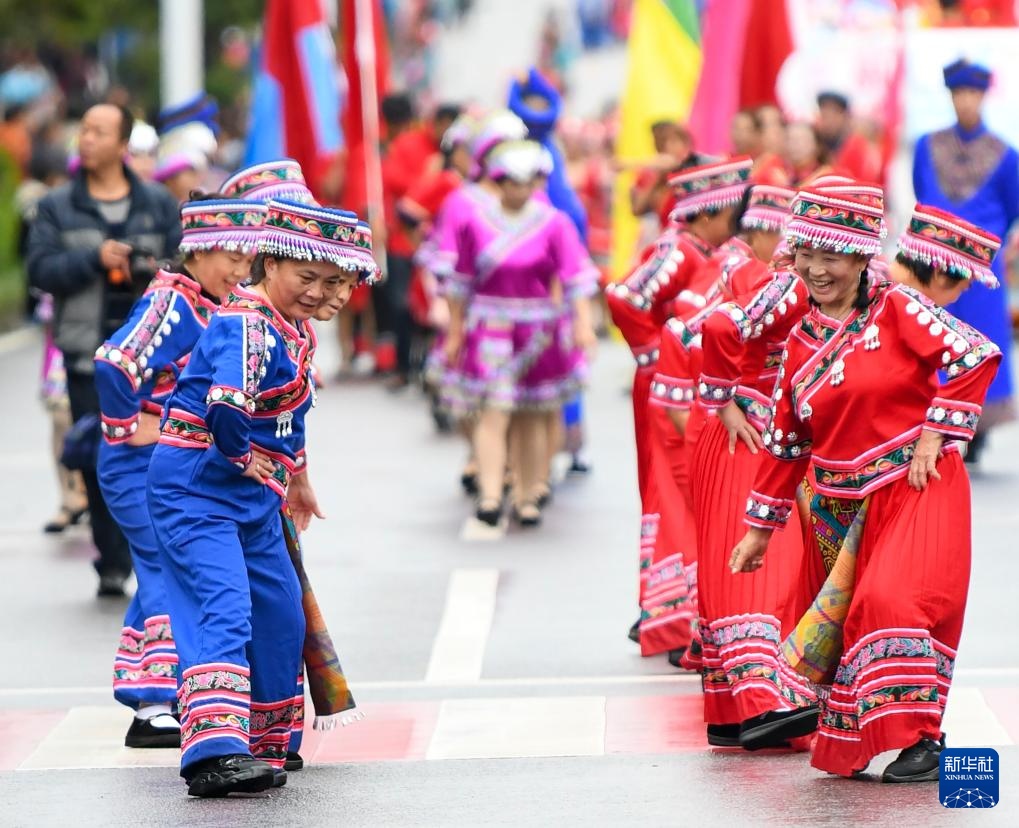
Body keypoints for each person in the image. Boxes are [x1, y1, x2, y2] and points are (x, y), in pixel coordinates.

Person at [729, 188, 1001, 781]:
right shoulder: (798, 341)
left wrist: (935, 433)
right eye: (807, 254)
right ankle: (875, 734)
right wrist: (758, 530)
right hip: (836, 508)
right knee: (848, 623)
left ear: (859, 258)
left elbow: (976, 353)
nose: (817, 270)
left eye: (833, 257)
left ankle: (924, 739)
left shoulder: (898, 307)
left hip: (915, 485)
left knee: (893, 602)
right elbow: (786, 442)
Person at [147, 199, 376, 797]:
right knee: (224, 606)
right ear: (269, 263)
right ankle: (214, 754)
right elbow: (227, 408)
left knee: (280, 610)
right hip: (197, 486)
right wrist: (248, 461)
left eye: (338, 284)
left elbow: (289, 417)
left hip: (253, 494)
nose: (323, 295)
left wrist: (295, 476)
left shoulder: (292, 328)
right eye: (309, 279)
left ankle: (265, 739)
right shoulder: (247, 321)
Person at [94, 196, 266, 749]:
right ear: (199, 249)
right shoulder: (172, 300)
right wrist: (129, 428)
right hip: (136, 461)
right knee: (169, 572)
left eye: (248, 261)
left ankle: (156, 698)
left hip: (164, 459)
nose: (241, 272)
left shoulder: (207, 301)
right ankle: (152, 706)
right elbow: (114, 363)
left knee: (167, 570)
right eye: (232, 259)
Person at [26, 102, 182, 597]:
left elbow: (185, 265)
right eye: (83, 131)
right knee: (98, 456)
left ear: (122, 144)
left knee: (155, 453)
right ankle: (111, 558)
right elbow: (41, 271)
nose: (85, 140)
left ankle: (148, 555)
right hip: (86, 352)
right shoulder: (57, 206)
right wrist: (93, 259)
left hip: (155, 357)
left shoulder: (157, 203)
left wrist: (147, 266)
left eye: (98, 131)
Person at [646, 184, 797, 669]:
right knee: (747, 552)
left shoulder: (740, 271)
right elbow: (704, 328)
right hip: (738, 426)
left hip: (717, 419)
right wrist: (723, 402)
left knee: (720, 546)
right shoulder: (761, 277)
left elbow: (692, 329)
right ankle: (750, 673)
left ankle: (714, 652)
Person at [606, 157, 753, 646]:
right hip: (666, 380)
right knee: (667, 489)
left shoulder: (691, 249)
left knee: (666, 491)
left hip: (672, 375)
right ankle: (663, 607)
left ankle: (659, 604)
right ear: (710, 215)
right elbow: (625, 297)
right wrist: (653, 354)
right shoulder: (682, 251)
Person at [690, 186, 817, 748]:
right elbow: (717, 327)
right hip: (754, 437)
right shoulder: (792, 288)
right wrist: (724, 399)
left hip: (766, 435)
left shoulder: (799, 284)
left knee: (746, 560)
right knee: (760, 565)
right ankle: (764, 702)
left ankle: (730, 704)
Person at [443, 140, 597, 526]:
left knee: (532, 413)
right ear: (499, 180)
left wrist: (581, 323)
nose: (520, 188)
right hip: (490, 327)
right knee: (493, 412)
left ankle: (529, 493)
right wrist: (455, 331)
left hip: (538, 331)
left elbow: (575, 278)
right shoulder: (475, 222)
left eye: (529, 181)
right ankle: (492, 494)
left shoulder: (553, 223)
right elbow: (460, 283)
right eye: (513, 180)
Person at [912, 58, 1016, 460]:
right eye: (959, 94)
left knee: (982, 339)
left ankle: (978, 424)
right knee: (933, 334)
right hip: (933, 262)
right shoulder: (927, 145)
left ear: (983, 96)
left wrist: (985, 245)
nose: (965, 102)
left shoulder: (1006, 155)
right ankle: (934, 414)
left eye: (972, 94)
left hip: (984, 269)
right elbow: (922, 192)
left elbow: (1011, 208)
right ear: (951, 96)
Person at [815, 92, 880, 183]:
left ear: (844, 116)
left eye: (834, 114)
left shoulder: (856, 145)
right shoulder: (816, 141)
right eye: (824, 114)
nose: (829, 120)